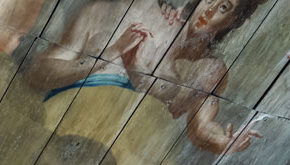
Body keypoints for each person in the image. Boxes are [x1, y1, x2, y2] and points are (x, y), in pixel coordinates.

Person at [25, 0, 268, 155]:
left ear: (231, 20)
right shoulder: (107, 12)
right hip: (65, 122)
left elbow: (201, 127)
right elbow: (38, 72)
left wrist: (224, 143)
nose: (209, 10)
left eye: (223, 7)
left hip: (127, 150)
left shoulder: (209, 68)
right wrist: (104, 57)